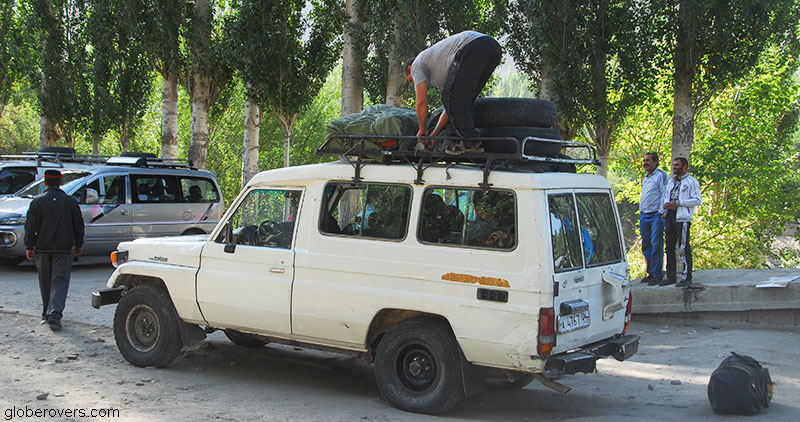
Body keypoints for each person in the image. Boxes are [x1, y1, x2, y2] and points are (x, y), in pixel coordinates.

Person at [403, 30, 502, 153]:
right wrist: (433, 135)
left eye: (411, 80)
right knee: (464, 101)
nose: (415, 82)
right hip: (493, 49)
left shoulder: (416, 65)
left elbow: (421, 101)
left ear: (410, 69)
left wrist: (422, 129)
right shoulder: (443, 70)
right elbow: (449, 107)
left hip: (473, 46)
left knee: (455, 99)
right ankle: (472, 143)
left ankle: (471, 142)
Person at [23, 169, 85, 331]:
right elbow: (78, 225)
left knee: (45, 281)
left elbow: (30, 226)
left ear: (44, 183)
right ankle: (55, 314)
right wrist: (78, 243)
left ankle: (47, 312)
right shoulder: (70, 202)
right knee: (60, 281)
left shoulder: (37, 202)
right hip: (64, 248)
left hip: (42, 248)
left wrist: (29, 246)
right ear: (60, 182)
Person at [660, 157, 701, 287]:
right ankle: (671, 276)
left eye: (677, 165)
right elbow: (666, 196)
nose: (675, 167)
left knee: (683, 247)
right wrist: (665, 206)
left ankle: (686, 276)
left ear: (685, 167)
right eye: (674, 165)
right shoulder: (671, 182)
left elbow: (697, 200)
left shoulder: (691, 182)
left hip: (682, 217)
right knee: (669, 247)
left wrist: (679, 203)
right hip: (670, 216)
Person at [639, 152, 668, 285]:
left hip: (656, 214)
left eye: (648, 161)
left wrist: (662, 212)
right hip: (644, 214)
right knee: (646, 245)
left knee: (656, 244)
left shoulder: (661, 175)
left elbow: (665, 193)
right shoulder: (645, 177)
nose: (645, 163)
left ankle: (657, 274)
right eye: (644, 161)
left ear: (655, 162)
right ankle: (650, 272)